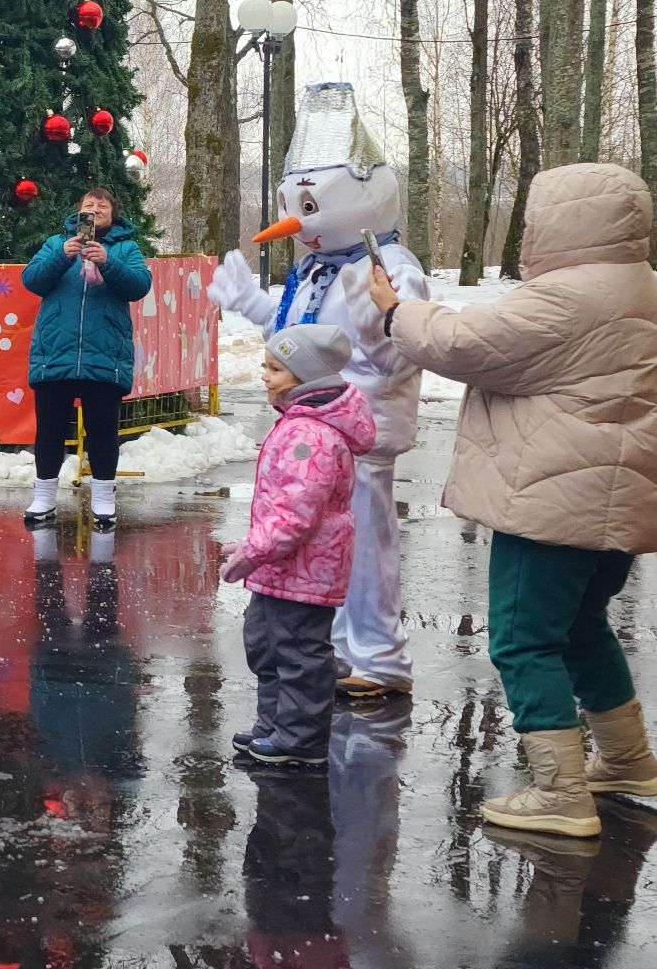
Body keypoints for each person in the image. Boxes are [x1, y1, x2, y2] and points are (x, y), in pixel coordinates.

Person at [368, 161, 657, 837]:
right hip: (613, 499)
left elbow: (463, 343)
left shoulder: (564, 297)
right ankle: (626, 759)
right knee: (581, 623)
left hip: (553, 499)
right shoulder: (637, 285)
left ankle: (559, 794)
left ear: (561, 221)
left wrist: (395, 310)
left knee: (524, 640)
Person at [210, 81, 430, 702]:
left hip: (357, 432)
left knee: (363, 545)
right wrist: (255, 302)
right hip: (312, 433)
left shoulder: (388, 266)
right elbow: (299, 338)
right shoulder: (317, 268)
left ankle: (379, 656)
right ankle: (330, 646)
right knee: (321, 549)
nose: (298, 225)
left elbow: (405, 343)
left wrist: (380, 322)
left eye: (311, 210)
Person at [220, 324, 376, 766]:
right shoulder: (296, 422)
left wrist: (254, 551)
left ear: (306, 377)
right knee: (266, 645)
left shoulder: (312, 435)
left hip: (306, 569)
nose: (265, 376)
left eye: (275, 368)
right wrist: (255, 547)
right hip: (280, 566)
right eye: (265, 366)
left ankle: (301, 739)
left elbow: (296, 513)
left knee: (299, 652)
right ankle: (274, 723)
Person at [19, 187, 151, 531]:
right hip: (56, 354)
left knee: (103, 431)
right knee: (49, 429)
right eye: (88, 205)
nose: (94, 210)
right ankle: (44, 496)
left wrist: (109, 261)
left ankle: (104, 499)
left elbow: (139, 285)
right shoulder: (56, 244)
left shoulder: (126, 248)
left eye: (102, 205)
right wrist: (62, 255)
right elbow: (31, 280)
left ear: (113, 214)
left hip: (105, 354)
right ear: (78, 213)